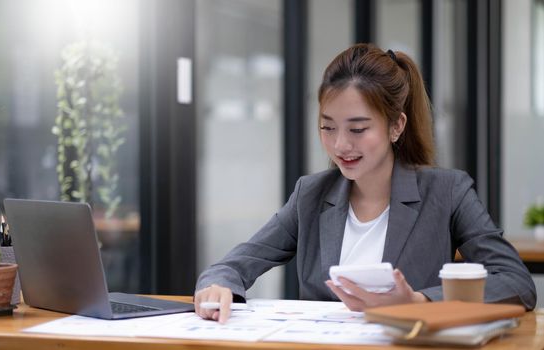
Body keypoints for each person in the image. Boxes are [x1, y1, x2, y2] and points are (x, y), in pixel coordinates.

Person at [194, 43, 536, 323]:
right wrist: (218, 284)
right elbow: (232, 266)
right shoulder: (310, 195)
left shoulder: (447, 192)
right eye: (328, 127)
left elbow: (516, 282)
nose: (341, 145)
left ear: (396, 126)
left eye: (357, 129)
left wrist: (418, 301)